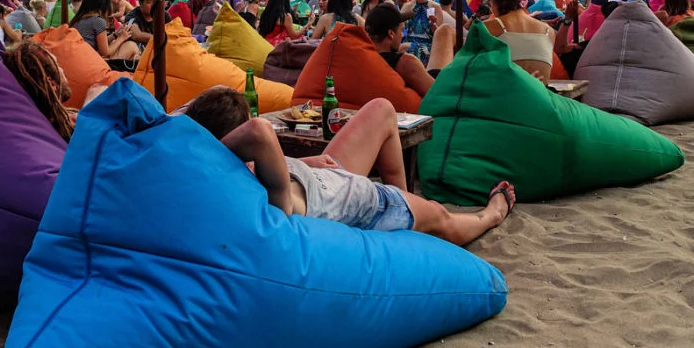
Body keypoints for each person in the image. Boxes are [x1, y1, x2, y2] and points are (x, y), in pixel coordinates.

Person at [181, 87, 514, 245]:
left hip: (324, 178)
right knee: (442, 218)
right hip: (366, 202)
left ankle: (408, 216)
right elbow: (260, 131)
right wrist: (215, 151)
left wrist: (297, 162)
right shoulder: (267, 199)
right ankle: (492, 213)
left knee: (382, 107)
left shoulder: (226, 170)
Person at [363, 3, 455, 101]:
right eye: (401, 30)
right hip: (431, 96)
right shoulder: (405, 63)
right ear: (391, 34)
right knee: (446, 31)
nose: (402, 36)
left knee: (444, 31)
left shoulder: (364, 59)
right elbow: (440, 95)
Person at [483, 0, 555, 83]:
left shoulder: (486, 28)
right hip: (541, 96)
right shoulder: (549, 32)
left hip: (504, 97)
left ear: (493, 1)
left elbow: (470, 71)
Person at [71, 0, 140, 61]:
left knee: (115, 43)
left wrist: (115, 35)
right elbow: (105, 52)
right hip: (91, 62)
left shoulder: (77, 19)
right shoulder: (98, 21)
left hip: (79, 58)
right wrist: (121, 38)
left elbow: (98, 42)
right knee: (132, 46)